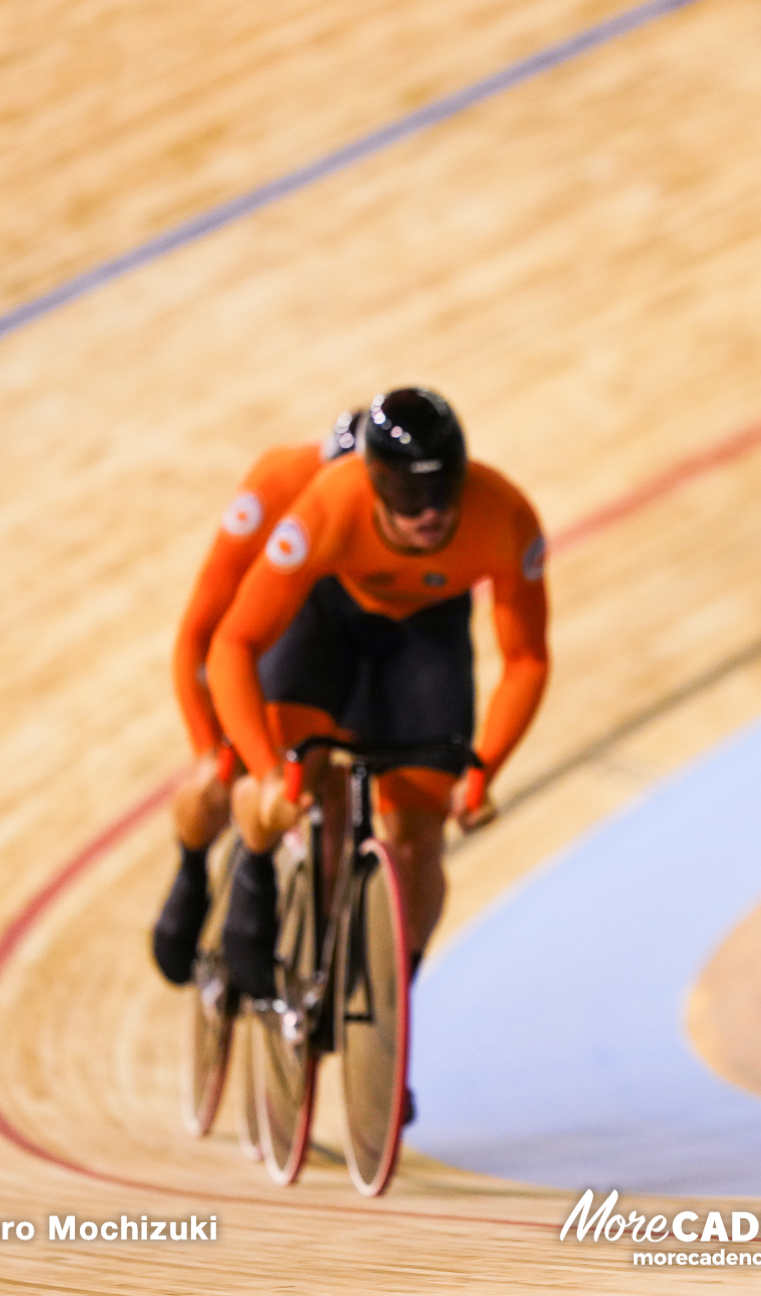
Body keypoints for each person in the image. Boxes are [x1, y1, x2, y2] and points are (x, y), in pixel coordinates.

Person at [206, 386, 549, 1004]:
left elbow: (526, 659)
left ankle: (392, 1012)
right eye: (409, 498)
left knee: (421, 838)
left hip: (425, 636)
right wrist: (263, 775)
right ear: (376, 485)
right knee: (299, 777)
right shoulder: (329, 507)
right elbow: (233, 643)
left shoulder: (505, 517)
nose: (429, 515)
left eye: (441, 493)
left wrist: (482, 773)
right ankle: (254, 875)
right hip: (329, 620)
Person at [152, 409, 363, 984]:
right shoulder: (277, 483)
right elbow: (201, 630)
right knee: (223, 784)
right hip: (265, 633)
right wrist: (209, 748)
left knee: (338, 775)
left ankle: (322, 942)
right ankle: (195, 868)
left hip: (333, 639)